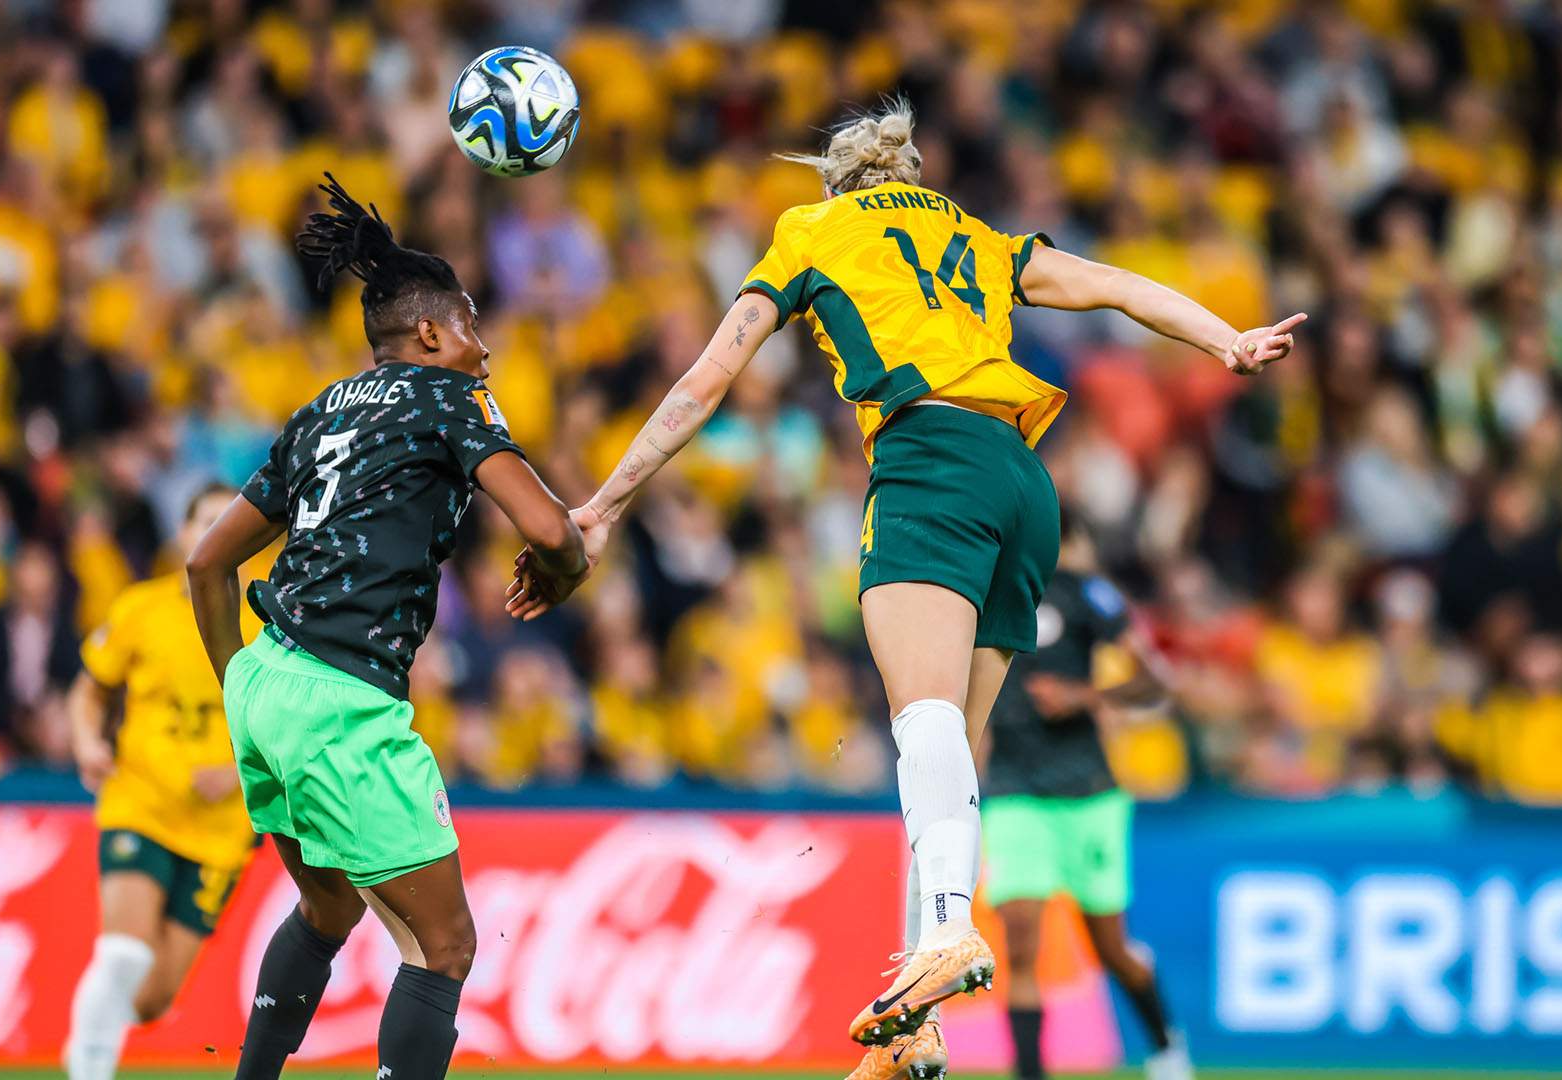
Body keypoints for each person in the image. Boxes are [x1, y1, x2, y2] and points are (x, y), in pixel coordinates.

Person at [517, 102, 1302, 1080]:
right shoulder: (971, 235)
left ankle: (943, 938)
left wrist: (601, 506)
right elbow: (1105, 286)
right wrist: (1225, 339)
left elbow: (707, 379)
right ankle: (916, 1025)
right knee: (951, 760)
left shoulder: (812, 231)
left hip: (931, 462)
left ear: (840, 184)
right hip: (1024, 482)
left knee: (920, 724)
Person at [185, 175, 589, 1080]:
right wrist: (567, 569)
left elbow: (208, 564)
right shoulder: (452, 401)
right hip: (342, 702)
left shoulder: (321, 411)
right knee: (444, 947)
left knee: (329, 911)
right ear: (433, 333)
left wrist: (237, 689)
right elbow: (552, 529)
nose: (486, 350)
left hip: (264, 684)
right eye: (475, 327)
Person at [981, 508, 1190, 1080]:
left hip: (1087, 793)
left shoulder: (1085, 595)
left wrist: (1083, 696)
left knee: (1111, 950)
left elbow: (1155, 681)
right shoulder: (983, 592)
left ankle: (1167, 1044)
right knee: (1020, 944)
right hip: (1014, 790)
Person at [64, 482, 262, 1080]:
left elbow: (285, 727)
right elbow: (90, 688)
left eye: (226, 522)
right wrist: (85, 741)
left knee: (150, 1001)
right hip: (142, 801)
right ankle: (90, 1066)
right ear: (181, 531)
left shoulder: (265, 624)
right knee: (123, 951)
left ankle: (92, 1028)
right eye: (203, 520)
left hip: (221, 829)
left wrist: (236, 771)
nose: (211, 531)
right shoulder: (140, 609)